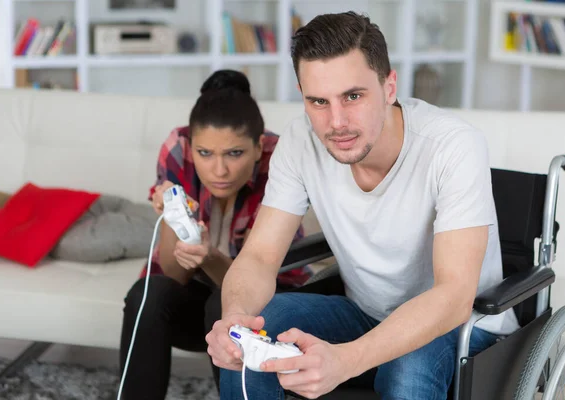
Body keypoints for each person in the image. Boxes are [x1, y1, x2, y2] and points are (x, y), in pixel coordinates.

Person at [205, 12, 521, 400]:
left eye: (353, 96)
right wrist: (236, 320)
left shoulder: (453, 147)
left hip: (463, 326)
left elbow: (454, 297)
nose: (336, 122)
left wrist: (346, 360)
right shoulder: (300, 141)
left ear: (389, 87)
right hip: (365, 313)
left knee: (406, 367)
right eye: (318, 101)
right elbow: (258, 257)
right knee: (260, 331)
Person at [118, 69, 312, 400]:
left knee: (219, 306)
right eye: (205, 153)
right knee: (146, 294)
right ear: (191, 146)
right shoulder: (177, 150)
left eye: (234, 154)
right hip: (195, 303)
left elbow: (256, 275)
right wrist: (174, 219)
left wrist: (209, 257)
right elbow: (174, 274)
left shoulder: (279, 159)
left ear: (258, 147)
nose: (219, 171)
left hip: (267, 304)